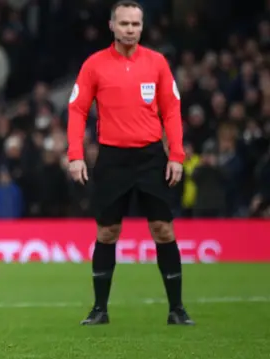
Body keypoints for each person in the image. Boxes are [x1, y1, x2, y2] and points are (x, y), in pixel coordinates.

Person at [67, 0, 194, 326]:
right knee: (107, 232)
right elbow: (78, 109)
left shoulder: (157, 63)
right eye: (124, 23)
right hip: (112, 158)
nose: (130, 29)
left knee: (163, 230)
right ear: (112, 25)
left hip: (151, 157)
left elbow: (172, 110)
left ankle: (177, 309)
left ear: (142, 26)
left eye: (135, 24)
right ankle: (100, 309)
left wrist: (176, 155)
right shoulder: (94, 64)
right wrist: (75, 154)